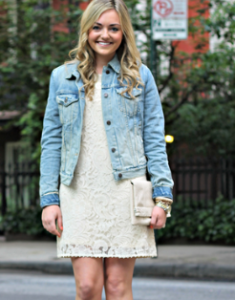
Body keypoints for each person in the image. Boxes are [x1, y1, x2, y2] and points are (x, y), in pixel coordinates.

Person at [40, 0, 174, 299]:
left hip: (125, 191)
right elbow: (51, 140)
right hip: (78, 192)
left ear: (123, 32)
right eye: (97, 27)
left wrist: (162, 198)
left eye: (114, 28)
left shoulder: (140, 76)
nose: (105, 34)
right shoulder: (62, 77)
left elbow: (154, 138)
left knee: (117, 287)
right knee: (87, 287)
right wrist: (49, 199)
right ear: (86, 30)